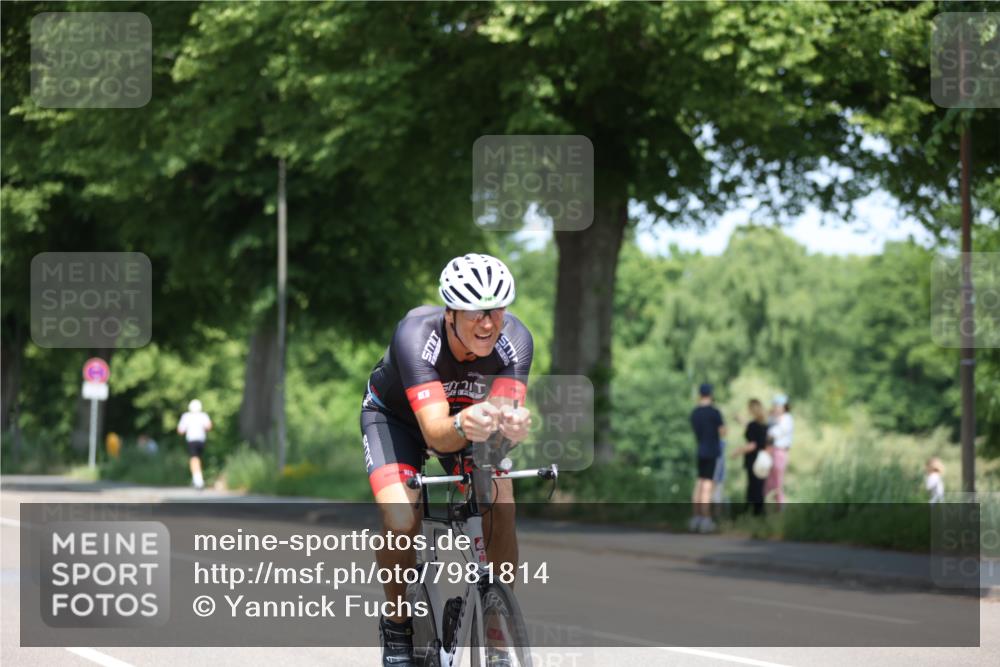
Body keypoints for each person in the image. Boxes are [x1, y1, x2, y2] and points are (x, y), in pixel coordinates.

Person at [360, 253, 533, 667]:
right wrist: (469, 423)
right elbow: (436, 433)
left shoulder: (516, 341)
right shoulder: (415, 335)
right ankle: (398, 625)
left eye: (497, 310)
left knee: (500, 500)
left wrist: (508, 428)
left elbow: (495, 433)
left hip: (466, 423)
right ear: (451, 312)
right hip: (397, 420)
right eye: (475, 313)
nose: (488, 324)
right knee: (402, 516)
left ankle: (495, 626)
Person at [689, 383, 725, 533]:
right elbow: (723, 432)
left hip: (700, 449)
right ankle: (706, 518)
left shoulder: (695, 413)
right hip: (712, 451)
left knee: (699, 483)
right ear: (711, 394)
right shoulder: (714, 412)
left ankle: (696, 517)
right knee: (707, 485)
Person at [730, 399, 768, 515]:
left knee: (753, 489)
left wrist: (737, 451)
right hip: (763, 460)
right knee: (759, 488)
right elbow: (752, 429)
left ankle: (751, 514)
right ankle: (758, 515)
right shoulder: (764, 425)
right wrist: (740, 420)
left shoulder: (753, 426)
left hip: (753, 460)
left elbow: (752, 444)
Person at [764, 393, 794, 506]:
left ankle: (780, 506)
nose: (776, 408)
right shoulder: (773, 418)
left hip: (780, 451)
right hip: (771, 451)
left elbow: (773, 434)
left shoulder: (786, 418)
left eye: (778, 406)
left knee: (777, 482)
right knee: (769, 481)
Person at [177, 399, 212, 489]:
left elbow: (180, 430)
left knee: (194, 459)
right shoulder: (203, 416)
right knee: (198, 459)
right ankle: (196, 478)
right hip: (201, 440)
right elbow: (209, 426)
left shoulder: (186, 416)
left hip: (192, 440)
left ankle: (198, 480)